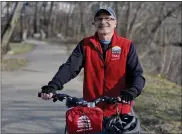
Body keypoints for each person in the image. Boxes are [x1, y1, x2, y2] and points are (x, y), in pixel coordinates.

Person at [40, 6, 145, 133]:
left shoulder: (126, 45)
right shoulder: (85, 45)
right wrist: (53, 85)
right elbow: (70, 67)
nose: (103, 22)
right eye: (99, 19)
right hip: (92, 113)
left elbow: (137, 74)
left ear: (115, 23)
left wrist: (132, 91)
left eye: (108, 18)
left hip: (119, 111)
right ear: (94, 23)